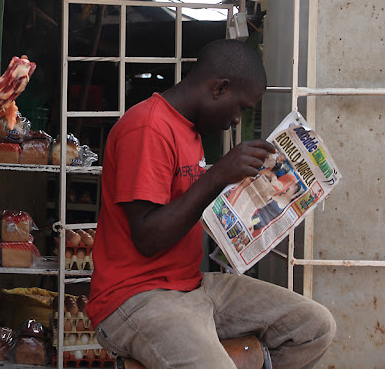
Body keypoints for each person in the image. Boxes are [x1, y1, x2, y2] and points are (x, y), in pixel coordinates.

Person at [87, 39, 336, 369]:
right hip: (135, 297)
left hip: (192, 285)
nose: (237, 120)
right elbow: (147, 238)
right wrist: (218, 175)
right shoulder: (148, 127)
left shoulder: (190, 130)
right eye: (241, 108)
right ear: (220, 88)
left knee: (314, 327)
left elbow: (189, 205)